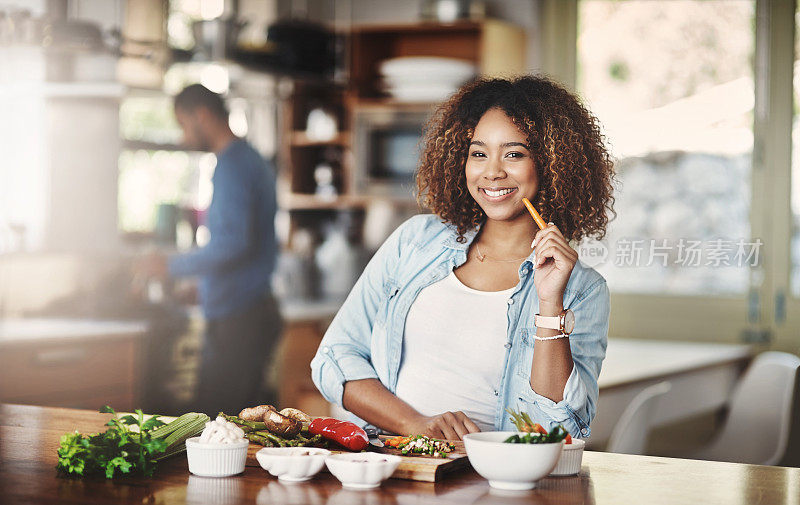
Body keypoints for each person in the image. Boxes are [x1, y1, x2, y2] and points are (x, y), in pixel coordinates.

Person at [311, 75, 615, 440]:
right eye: (478, 153)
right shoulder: (415, 242)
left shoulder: (583, 289)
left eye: (514, 153)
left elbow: (555, 431)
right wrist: (413, 424)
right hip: (387, 468)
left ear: (553, 164)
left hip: (493, 483)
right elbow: (334, 358)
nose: (492, 171)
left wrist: (550, 304)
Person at [139, 84, 282, 416]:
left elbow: (232, 244)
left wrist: (168, 266)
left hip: (239, 319)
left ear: (202, 115)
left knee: (217, 424)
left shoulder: (233, 166)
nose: (183, 137)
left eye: (183, 125)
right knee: (235, 424)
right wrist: (203, 287)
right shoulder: (249, 159)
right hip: (245, 311)